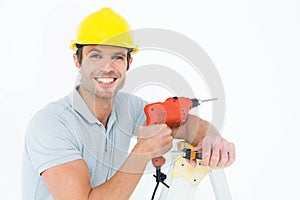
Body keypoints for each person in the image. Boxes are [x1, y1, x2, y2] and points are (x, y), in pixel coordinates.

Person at [22, 7, 235, 200]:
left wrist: (213, 139)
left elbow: (187, 126)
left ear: (128, 63)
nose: (107, 67)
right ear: (77, 61)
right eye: (95, 56)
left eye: (117, 57)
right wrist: (141, 153)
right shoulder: (51, 125)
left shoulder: (129, 108)